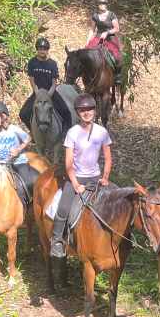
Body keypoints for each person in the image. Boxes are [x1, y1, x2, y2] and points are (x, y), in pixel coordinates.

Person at [50, 94, 112, 258]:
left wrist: (105, 177)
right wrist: (76, 184)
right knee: (63, 207)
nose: (87, 112)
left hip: (96, 177)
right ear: (77, 113)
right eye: (82, 110)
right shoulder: (73, 133)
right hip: (76, 178)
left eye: (90, 109)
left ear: (95, 110)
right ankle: (57, 241)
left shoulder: (102, 132)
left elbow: (108, 158)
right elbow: (68, 163)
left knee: (117, 201)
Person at [19, 36, 72, 134]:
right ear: (37, 49)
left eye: (44, 49)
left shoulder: (52, 64)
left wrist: (48, 95)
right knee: (23, 114)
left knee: (66, 111)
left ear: (47, 50)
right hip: (37, 92)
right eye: (40, 48)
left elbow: (54, 82)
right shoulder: (32, 62)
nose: (42, 51)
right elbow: (32, 80)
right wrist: (37, 93)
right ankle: (33, 132)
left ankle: (65, 133)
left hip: (50, 92)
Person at [0, 100, 38, 184]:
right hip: (2, 165)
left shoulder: (13, 129)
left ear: (2, 116)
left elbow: (28, 138)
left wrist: (18, 149)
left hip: (18, 162)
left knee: (29, 182)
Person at [85, 0, 123, 84]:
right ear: (97, 5)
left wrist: (107, 32)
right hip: (98, 37)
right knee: (87, 54)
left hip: (110, 37)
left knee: (117, 56)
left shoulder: (111, 15)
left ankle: (117, 76)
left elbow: (117, 29)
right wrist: (87, 41)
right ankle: (87, 74)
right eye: (101, 3)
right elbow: (92, 29)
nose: (103, 5)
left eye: (104, 3)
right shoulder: (95, 16)